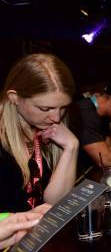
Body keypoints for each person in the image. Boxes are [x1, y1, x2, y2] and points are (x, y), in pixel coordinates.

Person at [0, 54, 79, 212]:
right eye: (45, 109)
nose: (56, 118)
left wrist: (72, 147)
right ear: (14, 97)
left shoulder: (50, 131)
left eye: (63, 108)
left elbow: (55, 204)